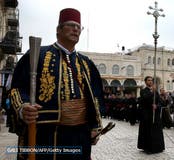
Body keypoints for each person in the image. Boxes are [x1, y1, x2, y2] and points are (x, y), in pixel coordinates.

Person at [9, 8, 104, 160]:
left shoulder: (86, 63)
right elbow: (17, 89)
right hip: (46, 133)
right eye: (71, 25)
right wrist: (23, 107)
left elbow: (96, 96)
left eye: (79, 27)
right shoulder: (37, 54)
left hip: (80, 135)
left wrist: (95, 126)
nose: (76, 29)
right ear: (58, 29)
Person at [137, 76, 165, 153]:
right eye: (148, 80)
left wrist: (157, 106)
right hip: (147, 114)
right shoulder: (143, 91)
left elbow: (160, 102)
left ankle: (158, 147)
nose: (150, 82)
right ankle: (147, 147)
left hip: (155, 114)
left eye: (151, 80)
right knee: (148, 131)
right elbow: (145, 99)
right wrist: (152, 92)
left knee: (156, 131)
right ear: (146, 82)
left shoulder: (156, 91)